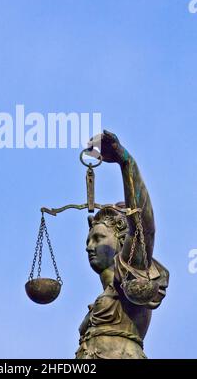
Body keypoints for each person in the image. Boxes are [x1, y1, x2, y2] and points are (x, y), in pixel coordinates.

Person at [76, 130, 169, 359]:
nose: (89, 246)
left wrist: (125, 161)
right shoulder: (105, 294)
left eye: (98, 238)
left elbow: (143, 225)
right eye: (88, 240)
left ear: (120, 241)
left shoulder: (131, 276)